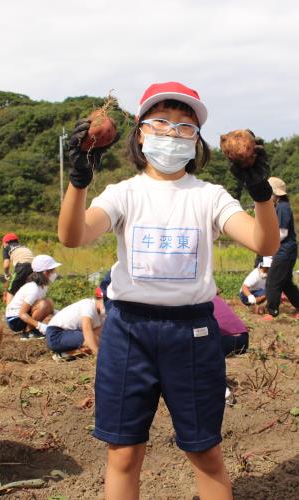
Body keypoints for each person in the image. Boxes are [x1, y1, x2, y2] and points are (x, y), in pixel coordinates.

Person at [58, 81, 279, 500]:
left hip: (191, 333)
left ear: (196, 141)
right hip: (128, 333)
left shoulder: (210, 197)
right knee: (123, 453)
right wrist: (79, 180)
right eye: (161, 122)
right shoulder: (123, 193)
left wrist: (260, 192)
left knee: (206, 451)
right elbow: (73, 236)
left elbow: (264, 244)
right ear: (140, 132)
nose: (172, 132)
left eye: (184, 125)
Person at [264, 177, 299, 320]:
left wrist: (268, 243)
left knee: (272, 281)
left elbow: (282, 233)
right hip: (285, 251)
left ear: (274, 193)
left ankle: (272, 311)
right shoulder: (280, 206)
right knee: (285, 283)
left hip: (285, 251)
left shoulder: (282, 207)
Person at [5, 254, 60, 340]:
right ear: (45, 272)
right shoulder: (33, 288)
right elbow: (22, 313)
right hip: (14, 320)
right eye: (52, 271)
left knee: (48, 302)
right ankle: (28, 332)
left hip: (22, 316)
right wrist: (40, 326)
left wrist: (59, 313)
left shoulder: (43, 286)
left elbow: (45, 308)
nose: (55, 273)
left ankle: (32, 329)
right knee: (43, 304)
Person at [46, 288, 105, 359]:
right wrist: (98, 353)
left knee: (99, 340)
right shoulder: (89, 305)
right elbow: (87, 330)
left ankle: (65, 354)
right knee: (98, 342)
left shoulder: (102, 315)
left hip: (70, 335)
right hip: (56, 335)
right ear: (100, 298)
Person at [2, 233, 34, 304]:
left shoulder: (6, 247)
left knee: (10, 290)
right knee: (27, 290)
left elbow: (6, 265)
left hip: (22, 266)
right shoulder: (23, 247)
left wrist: (6, 274)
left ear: (5, 243)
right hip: (34, 267)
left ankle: (9, 312)